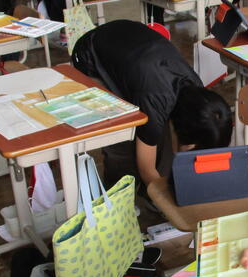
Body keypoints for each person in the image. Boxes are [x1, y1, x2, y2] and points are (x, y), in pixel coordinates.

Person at [71, 20, 233, 187]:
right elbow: (146, 169)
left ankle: (158, 186)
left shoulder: (197, 92)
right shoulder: (154, 98)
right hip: (90, 56)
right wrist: (167, 198)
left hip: (129, 47)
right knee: (123, 143)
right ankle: (118, 193)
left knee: (156, 136)